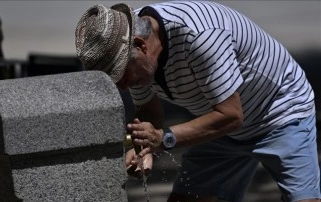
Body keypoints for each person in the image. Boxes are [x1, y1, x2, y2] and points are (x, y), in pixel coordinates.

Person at [75, 1, 320, 202]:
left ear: (141, 46)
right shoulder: (132, 42)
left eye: (123, 75)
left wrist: (163, 139)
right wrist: (145, 149)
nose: (122, 87)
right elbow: (148, 108)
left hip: (279, 112)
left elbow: (231, 116)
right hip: (219, 123)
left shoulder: (200, 37)